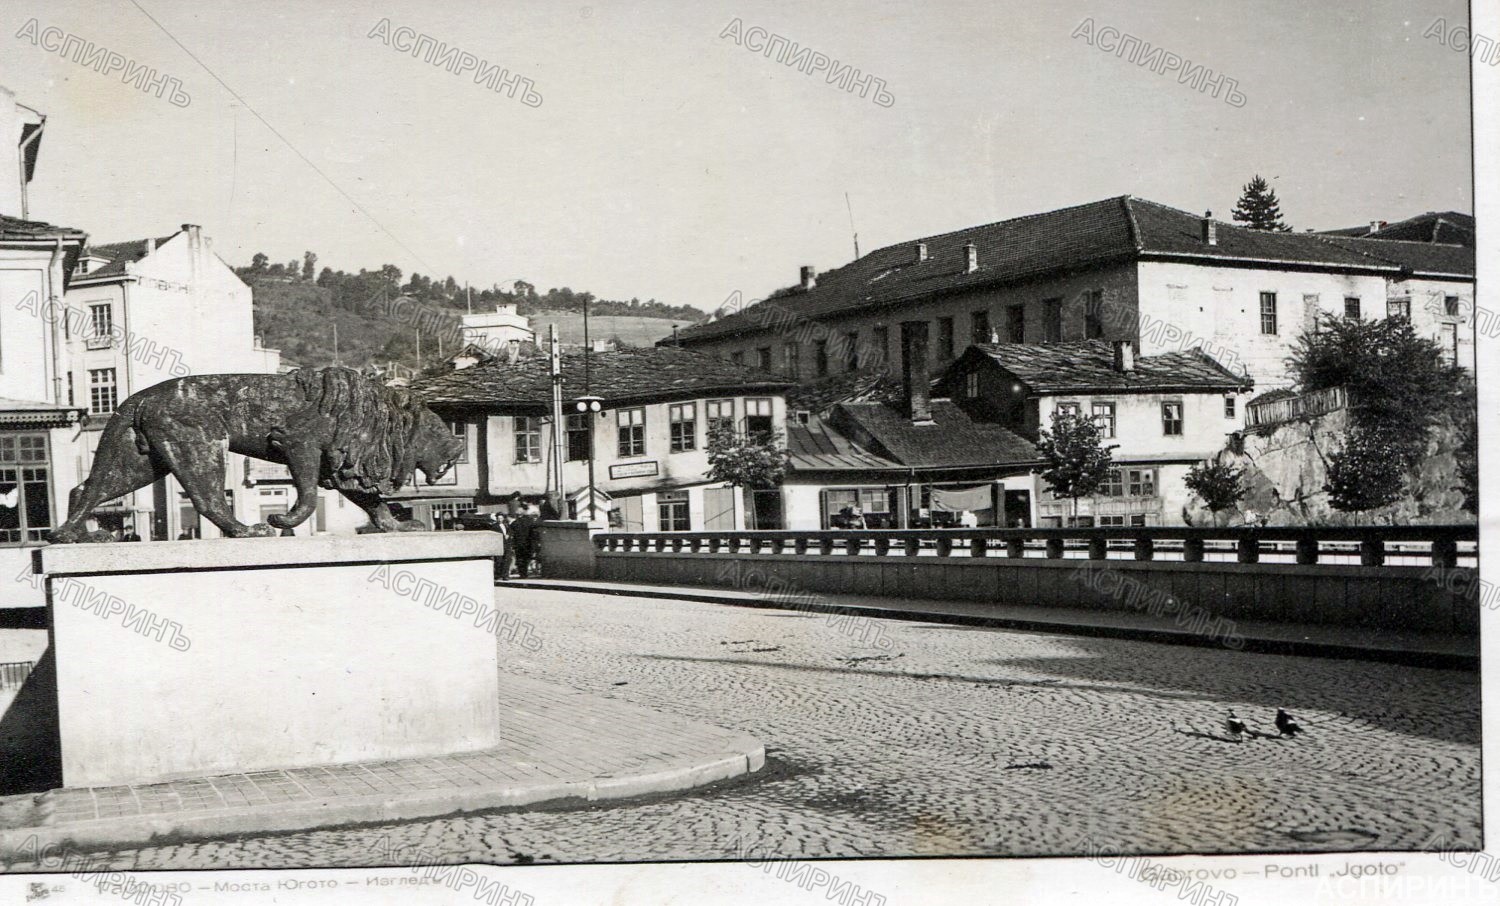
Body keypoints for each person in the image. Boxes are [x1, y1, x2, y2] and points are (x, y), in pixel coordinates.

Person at [510, 505, 539, 579]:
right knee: (527, 559)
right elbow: (534, 534)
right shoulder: (530, 522)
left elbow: (512, 534)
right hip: (528, 544)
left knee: (520, 559)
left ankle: (522, 573)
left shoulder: (514, 523)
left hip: (518, 544)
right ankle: (525, 573)